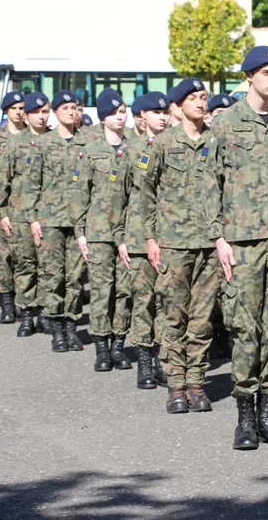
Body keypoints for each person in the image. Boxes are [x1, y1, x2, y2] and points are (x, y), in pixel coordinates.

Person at [206, 46, 268, 450]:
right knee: (245, 328)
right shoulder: (226, 124)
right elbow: (210, 183)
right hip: (242, 240)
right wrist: (218, 238)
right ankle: (245, 416)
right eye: (266, 72)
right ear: (249, 76)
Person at [141, 78, 220, 413]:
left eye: (204, 97)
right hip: (173, 243)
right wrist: (151, 237)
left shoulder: (216, 141)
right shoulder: (162, 144)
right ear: (178, 105)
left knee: (202, 319)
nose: (200, 102)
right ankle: (175, 384)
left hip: (210, 243)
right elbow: (146, 192)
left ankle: (196, 383)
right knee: (175, 316)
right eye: (193, 98)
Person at [74, 89, 133, 372]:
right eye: (113, 113)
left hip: (129, 231)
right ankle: (101, 346)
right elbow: (80, 193)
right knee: (101, 289)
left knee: (124, 290)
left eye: (122, 111)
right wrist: (80, 232)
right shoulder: (91, 150)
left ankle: (119, 344)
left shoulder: (135, 145)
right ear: (102, 118)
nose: (119, 117)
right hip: (98, 231)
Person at [116, 91, 169, 390]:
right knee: (144, 300)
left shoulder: (176, 145)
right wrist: (119, 237)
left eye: (165, 112)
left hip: (173, 236)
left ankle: (163, 361)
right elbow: (118, 196)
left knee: (166, 302)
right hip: (138, 239)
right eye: (155, 112)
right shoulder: (130, 151)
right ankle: (145, 363)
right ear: (142, 117)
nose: (162, 116)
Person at [30, 90, 86, 352]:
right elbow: (32, 184)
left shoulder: (86, 143)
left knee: (74, 277)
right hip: (50, 219)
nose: (71, 112)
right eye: (65, 108)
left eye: (74, 108)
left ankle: (71, 325)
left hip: (78, 221)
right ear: (56, 112)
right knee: (53, 275)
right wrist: (33, 219)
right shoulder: (42, 144)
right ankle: (56, 328)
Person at [0, 92, 52, 337]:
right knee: (25, 265)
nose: (41, 117)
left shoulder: (55, 141)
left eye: (45, 111)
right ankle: (27, 314)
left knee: (48, 266)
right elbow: (3, 180)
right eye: (36, 112)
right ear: (28, 115)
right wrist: (2, 212)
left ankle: (45, 313)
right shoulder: (16, 142)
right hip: (19, 213)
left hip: (51, 215)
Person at [0, 91, 26, 323]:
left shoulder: (34, 137)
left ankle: (23, 301)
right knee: (3, 256)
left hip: (27, 208)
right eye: (14, 108)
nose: (19, 112)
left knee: (25, 257)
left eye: (21, 108)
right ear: (6, 111)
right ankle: (7, 303)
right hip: (4, 206)